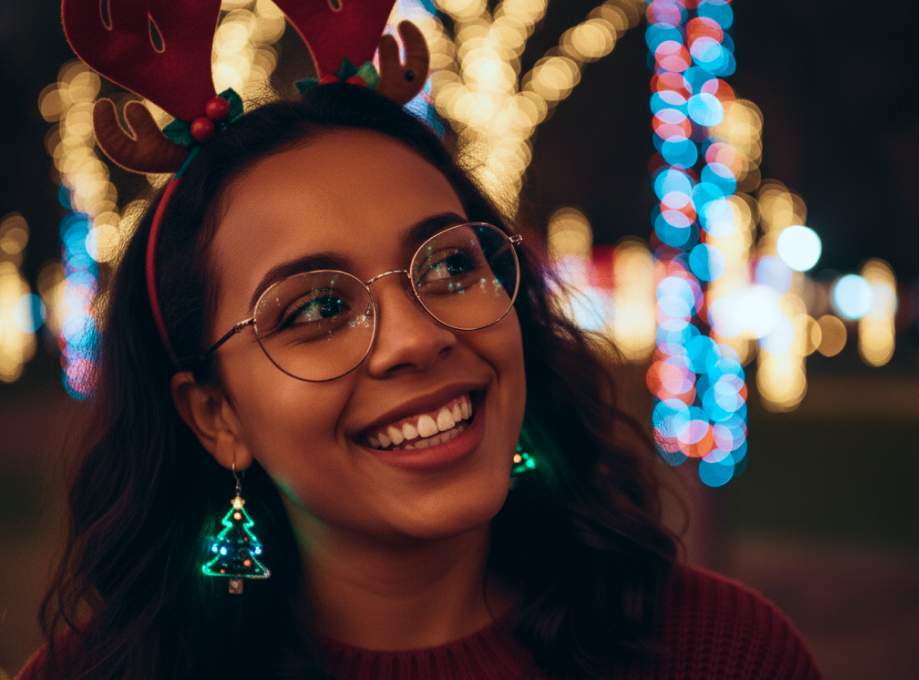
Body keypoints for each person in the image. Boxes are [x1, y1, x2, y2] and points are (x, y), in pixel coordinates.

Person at [21, 8, 823, 680]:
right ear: (215, 416)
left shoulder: (719, 651)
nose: (417, 337)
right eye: (318, 308)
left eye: (447, 264)